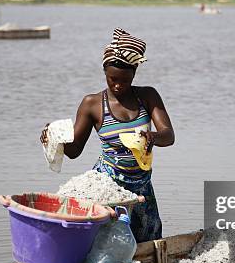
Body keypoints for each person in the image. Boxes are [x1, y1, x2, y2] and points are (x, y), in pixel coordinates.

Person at [40, 28, 175, 242]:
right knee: (110, 241)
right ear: (104, 72)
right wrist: (54, 138)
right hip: (109, 186)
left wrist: (153, 137)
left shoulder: (147, 96)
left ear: (134, 74)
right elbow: (75, 151)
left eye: (125, 80)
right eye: (112, 79)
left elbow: (168, 135)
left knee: (148, 239)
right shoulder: (92, 104)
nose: (118, 85)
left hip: (142, 185)